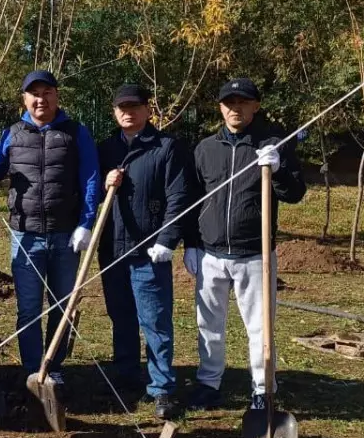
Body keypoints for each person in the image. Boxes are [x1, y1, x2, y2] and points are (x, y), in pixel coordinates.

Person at [0, 70, 101, 382]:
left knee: (61, 306)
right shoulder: (13, 133)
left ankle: (54, 367)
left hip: (66, 234)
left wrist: (86, 223)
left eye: (47, 93)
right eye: (34, 94)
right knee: (28, 310)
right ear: (24, 99)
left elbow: (91, 178)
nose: (41, 99)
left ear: (56, 96)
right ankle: (32, 371)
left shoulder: (75, 132)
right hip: (25, 236)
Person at [185, 78, 306, 411]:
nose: (234, 108)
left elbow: (295, 193)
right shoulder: (205, 148)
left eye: (242, 102)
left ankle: (262, 389)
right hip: (210, 254)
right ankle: (208, 384)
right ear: (220, 107)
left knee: (259, 327)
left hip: (255, 254)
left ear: (256, 105)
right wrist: (191, 244)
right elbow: (194, 199)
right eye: (229, 102)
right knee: (208, 325)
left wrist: (278, 169)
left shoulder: (273, 144)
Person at [96, 84, 193, 420]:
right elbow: (92, 194)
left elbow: (178, 197)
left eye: (135, 106)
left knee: (154, 320)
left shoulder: (166, 147)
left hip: (149, 251)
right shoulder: (106, 148)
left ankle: (162, 388)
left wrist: (167, 240)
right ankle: (125, 376)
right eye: (122, 107)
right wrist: (105, 183)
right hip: (113, 249)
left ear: (148, 110)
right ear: (114, 111)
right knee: (120, 317)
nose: (128, 112)